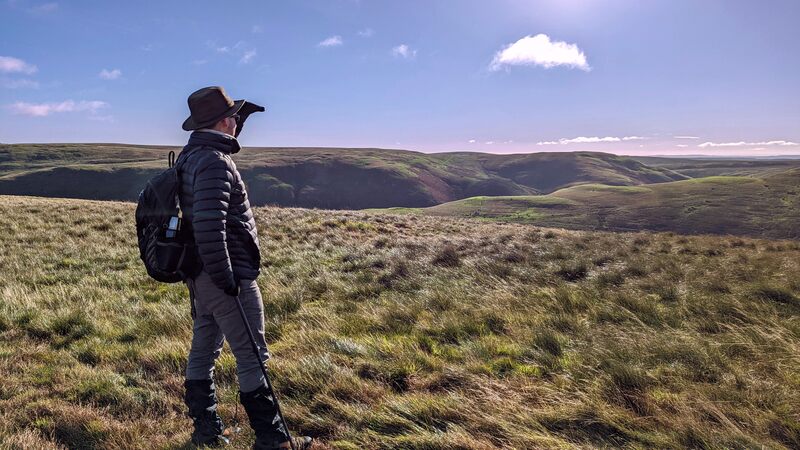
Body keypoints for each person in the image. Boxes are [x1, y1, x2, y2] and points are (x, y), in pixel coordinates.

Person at [176, 86, 312, 449]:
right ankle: (273, 441)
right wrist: (227, 278)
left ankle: (207, 432)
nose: (238, 122)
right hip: (224, 274)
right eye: (235, 116)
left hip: (200, 274)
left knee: (205, 345)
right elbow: (208, 224)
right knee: (253, 353)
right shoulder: (213, 162)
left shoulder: (192, 157)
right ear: (224, 121)